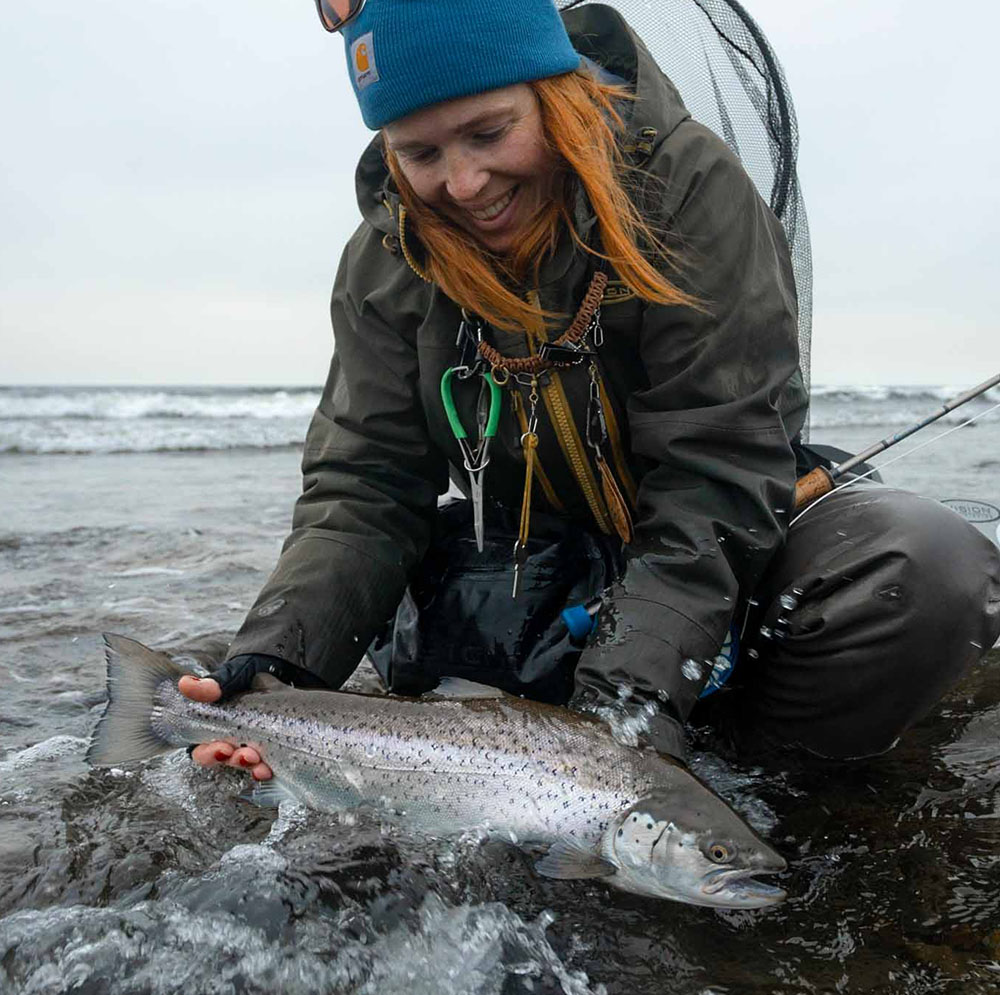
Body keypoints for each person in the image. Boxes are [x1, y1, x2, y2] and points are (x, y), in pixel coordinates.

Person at [180, 0, 1000, 785]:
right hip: (531, 566)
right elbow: (365, 487)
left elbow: (715, 470)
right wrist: (274, 670)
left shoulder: (687, 188)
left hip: (715, 537)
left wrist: (626, 715)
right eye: (420, 154)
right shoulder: (387, 257)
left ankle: (741, 789)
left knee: (920, 565)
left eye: (488, 132)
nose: (462, 184)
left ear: (554, 94)